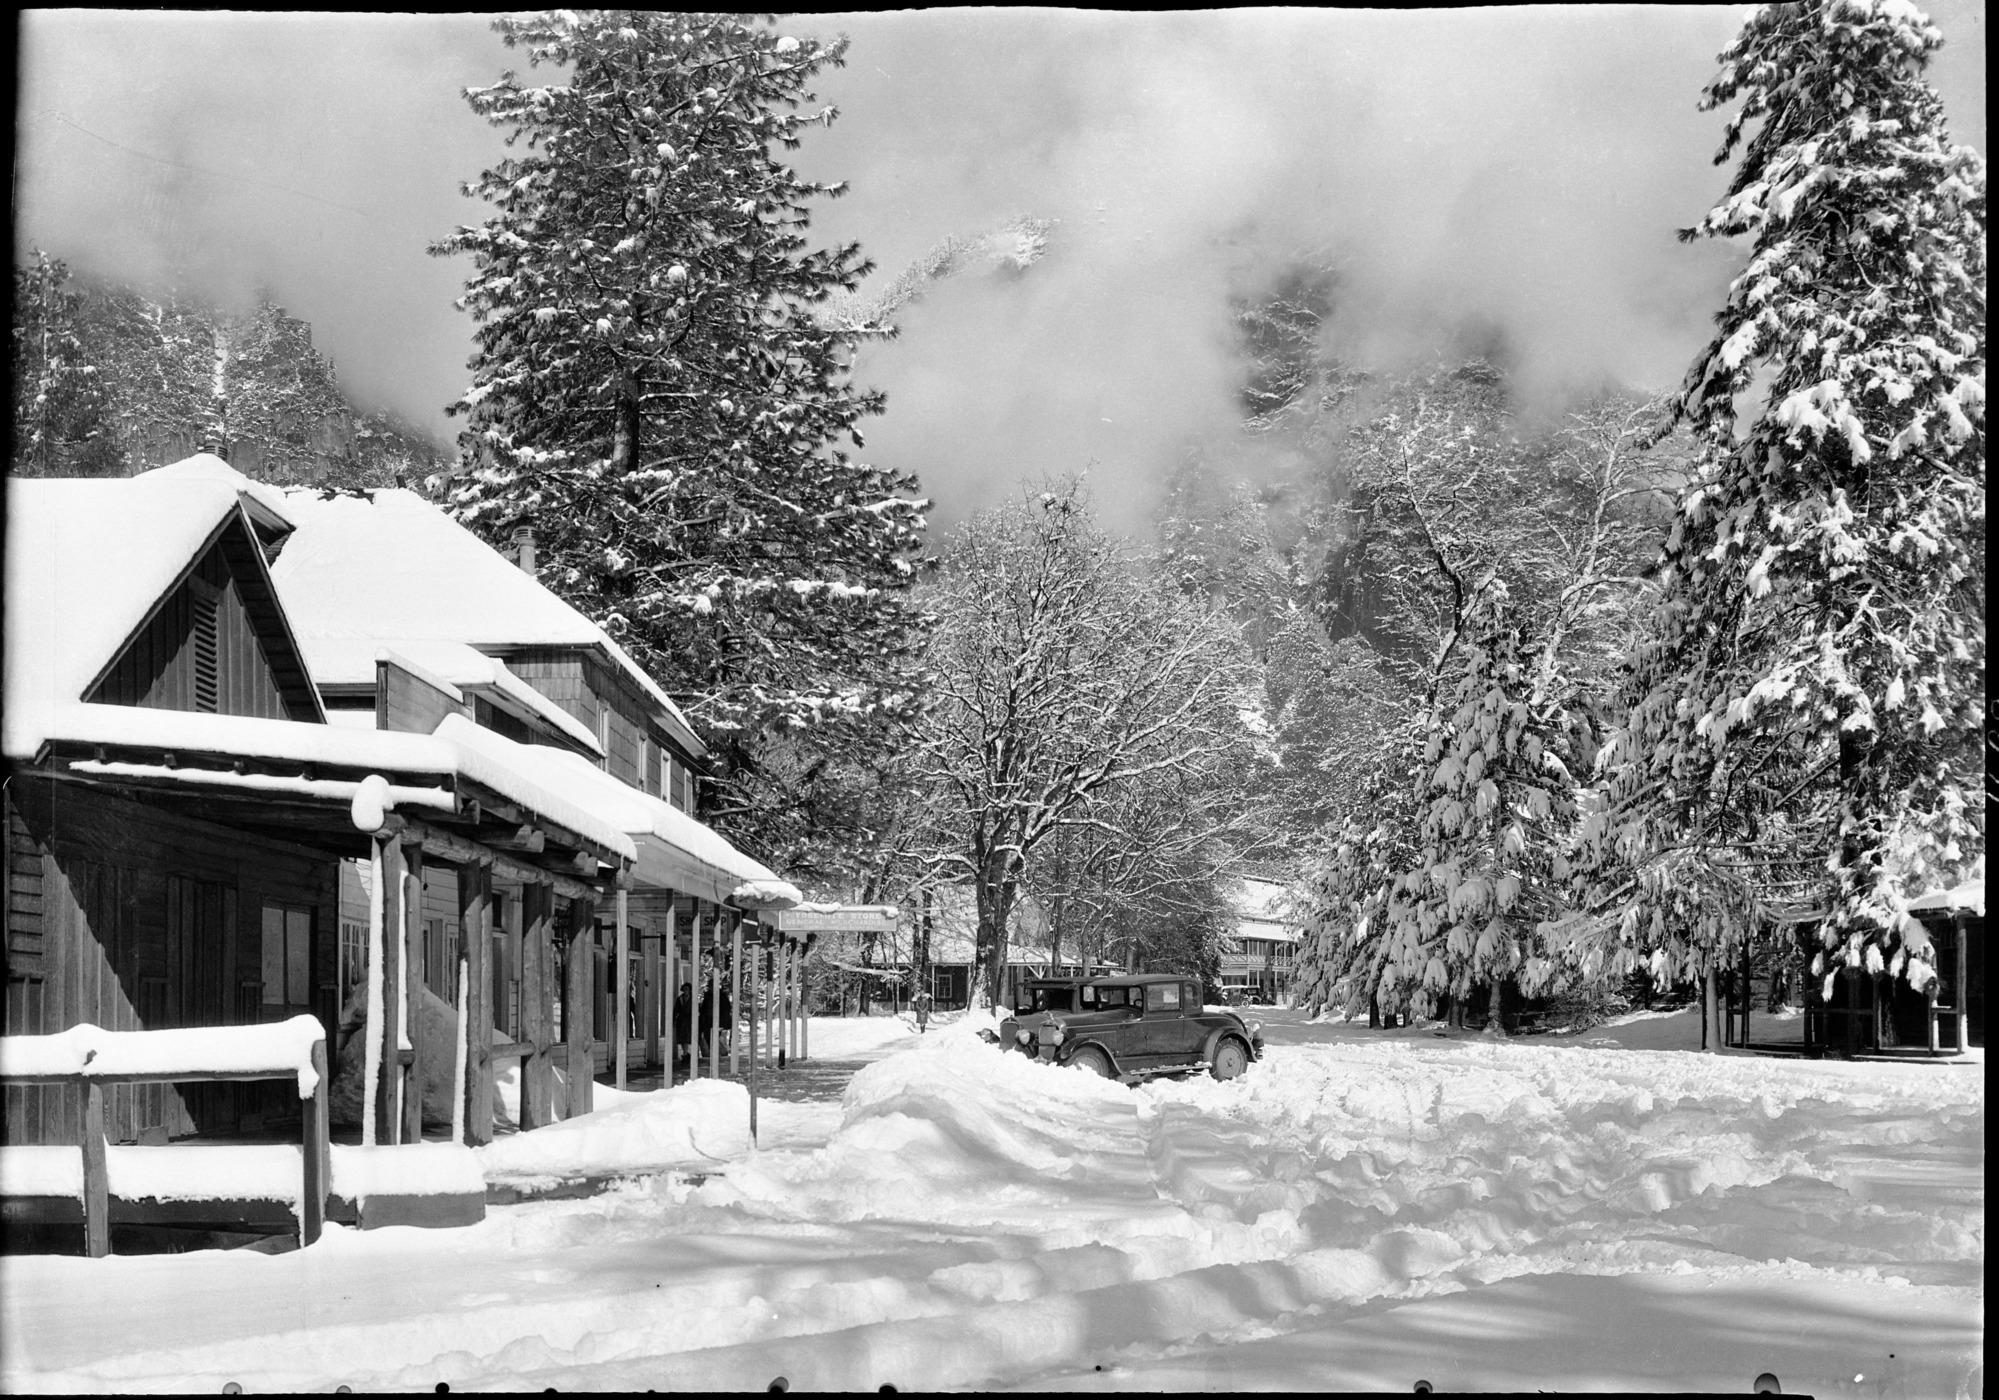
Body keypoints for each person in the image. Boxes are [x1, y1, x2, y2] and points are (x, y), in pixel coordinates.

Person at [672, 980, 693, 1079]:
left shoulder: (693, 999)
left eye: (687, 989)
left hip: (689, 1021)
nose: (686, 991)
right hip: (681, 1021)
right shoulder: (679, 999)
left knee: (687, 1038)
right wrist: (673, 1020)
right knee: (681, 1039)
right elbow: (675, 1010)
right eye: (684, 989)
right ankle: (686, 1054)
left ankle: (685, 1055)